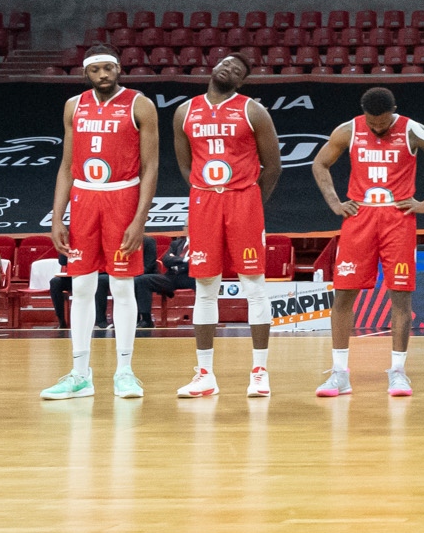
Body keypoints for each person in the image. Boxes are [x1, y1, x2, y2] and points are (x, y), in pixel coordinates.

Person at [311, 86, 424, 399]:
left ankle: (398, 372)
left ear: (393, 111)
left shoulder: (411, 129)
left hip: (398, 220)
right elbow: (319, 163)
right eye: (372, 122)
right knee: (343, 295)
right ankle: (339, 373)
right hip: (359, 218)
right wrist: (335, 202)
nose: (377, 128)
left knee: (400, 297)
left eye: (382, 123)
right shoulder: (348, 129)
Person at [41, 52, 159, 401]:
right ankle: (80, 374)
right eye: (95, 69)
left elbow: (151, 167)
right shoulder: (73, 106)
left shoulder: (140, 105)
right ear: (86, 73)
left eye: (108, 68)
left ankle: (124, 371)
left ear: (118, 69)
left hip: (122, 197)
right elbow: (65, 165)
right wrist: (57, 215)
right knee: (81, 288)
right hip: (84, 199)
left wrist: (140, 218)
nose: (102, 74)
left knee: (123, 288)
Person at [172, 53, 283, 399]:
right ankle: (205, 374)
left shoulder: (252, 110)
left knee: (254, 285)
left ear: (240, 81)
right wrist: (206, 194)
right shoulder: (185, 111)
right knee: (205, 286)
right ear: (213, 67)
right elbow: (185, 164)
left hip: (243, 199)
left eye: (239, 69)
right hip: (204, 200)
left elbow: (273, 165)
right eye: (227, 63)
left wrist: (250, 202)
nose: (230, 68)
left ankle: (260, 371)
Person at [51, 238, 155, 331]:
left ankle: (101, 321)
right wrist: (69, 246)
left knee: (101, 280)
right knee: (55, 282)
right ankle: (62, 321)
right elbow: (62, 261)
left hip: (99, 274)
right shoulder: (72, 241)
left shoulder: (100, 241)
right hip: (78, 275)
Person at [134, 235, 193, 332]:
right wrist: (184, 260)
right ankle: (146, 319)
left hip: (189, 277)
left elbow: (195, 261)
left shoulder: (200, 243)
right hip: (171, 276)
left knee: (202, 283)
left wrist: (175, 259)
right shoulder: (176, 243)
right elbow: (166, 260)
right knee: (142, 280)